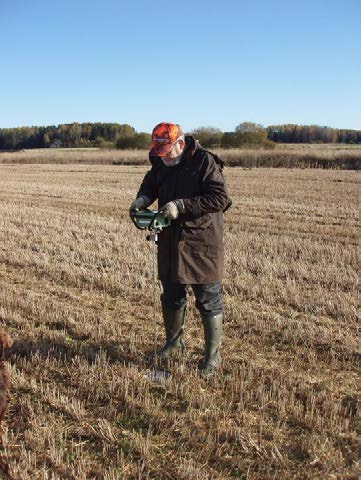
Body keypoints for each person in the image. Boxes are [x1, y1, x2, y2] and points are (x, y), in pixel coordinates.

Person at [129, 122, 232, 379]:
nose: (162, 157)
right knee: (171, 294)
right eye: (159, 152)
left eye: (167, 152)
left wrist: (181, 206)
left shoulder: (204, 162)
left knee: (208, 299)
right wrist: (142, 199)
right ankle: (174, 344)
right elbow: (151, 184)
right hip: (170, 240)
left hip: (201, 242)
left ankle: (212, 357)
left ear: (181, 144)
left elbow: (220, 199)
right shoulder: (161, 161)